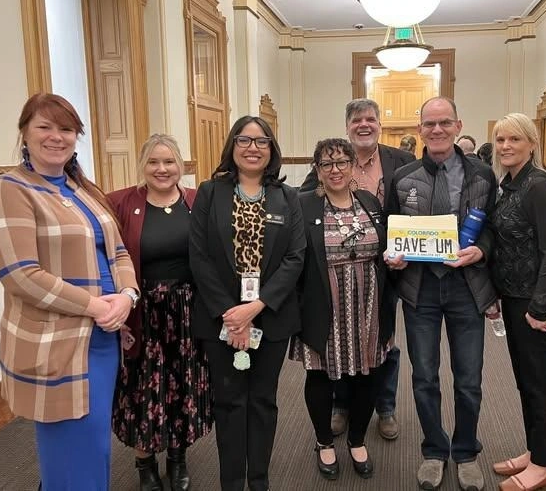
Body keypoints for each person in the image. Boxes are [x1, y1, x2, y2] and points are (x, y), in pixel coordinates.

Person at [0, 93, 139, 490]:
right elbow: (20, 274)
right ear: (25, 133)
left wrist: (127, 296)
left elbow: (117, 250)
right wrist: (94, 306)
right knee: (69, 451)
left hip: (102, 339)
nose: (56, 137)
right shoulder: (10, 189)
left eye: (66, 129)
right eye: (44, 127)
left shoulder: (82, 188)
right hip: (55, 341)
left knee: (94, 447)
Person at [385, 96, 497, 491]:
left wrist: (481, 248)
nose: (436, 130)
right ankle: (434, 449)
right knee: (425, 377)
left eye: (444, 123)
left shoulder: (483, 174)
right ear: (420, 130)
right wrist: (393, 256)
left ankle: (465, 451)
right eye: (429, 124)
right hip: (421, 291)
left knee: (468, 378)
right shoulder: (404, 177)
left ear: (457, 125)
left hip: (467, 289)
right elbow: (391, 229)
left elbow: (492, 229)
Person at [189, 116, 306, 491]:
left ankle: (259, 481)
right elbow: (199, 257)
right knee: (229, 403)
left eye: (261, 141)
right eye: (244, 140)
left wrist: (254, 308)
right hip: (219, 317)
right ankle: (231, 483)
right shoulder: (210, 192)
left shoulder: (288, 197)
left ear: (271, 150)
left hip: (270, 317)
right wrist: (232, 315)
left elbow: (295, 257)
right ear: (232, 146)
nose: (253, 147)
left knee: (262, 402)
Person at [300, 98, 413, 441]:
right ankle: (341, 407)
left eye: (370, 119)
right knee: (334, 348)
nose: (364, 124)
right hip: (332, 283)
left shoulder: (403, 161)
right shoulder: (329, 162)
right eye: (357, 120)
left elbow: (413, 212)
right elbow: (304, 206)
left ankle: (386, 407)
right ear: (347, 126)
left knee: (381, 344)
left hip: (383, 270)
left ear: (379, 123)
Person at [109, 134, 212, 491]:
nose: (162, 169)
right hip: (142, 311)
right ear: (143, 165)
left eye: (169, 162)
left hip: (187, 311)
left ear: (180, 165)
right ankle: (145, 464)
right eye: (154, 162)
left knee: (182, 386)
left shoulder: (197, 201)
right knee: (142, 389)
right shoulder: (121, 202)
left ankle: (178, 458)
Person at [291, 138, 391, 481]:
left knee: (369, 372)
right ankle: (324, 442)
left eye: (341, 162)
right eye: (326, 164)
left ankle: (358, 439)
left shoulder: (368, 201)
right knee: (319, 374)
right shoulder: (303, 205)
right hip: (323, 304)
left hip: (369, 304)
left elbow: (385, 245)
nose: (335, 170)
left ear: (352, 166)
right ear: (317, 171)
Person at [488, 114, 546, 491]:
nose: (505, 146)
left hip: (535, 301)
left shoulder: (538, 186)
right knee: (524, 380)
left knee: (537, 382)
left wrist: (540, 307)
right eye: (500, 140)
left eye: (514, 139)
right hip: (514, 296)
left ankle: (544, 464)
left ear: (532, 143)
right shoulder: (510, 183)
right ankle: (535, 451)